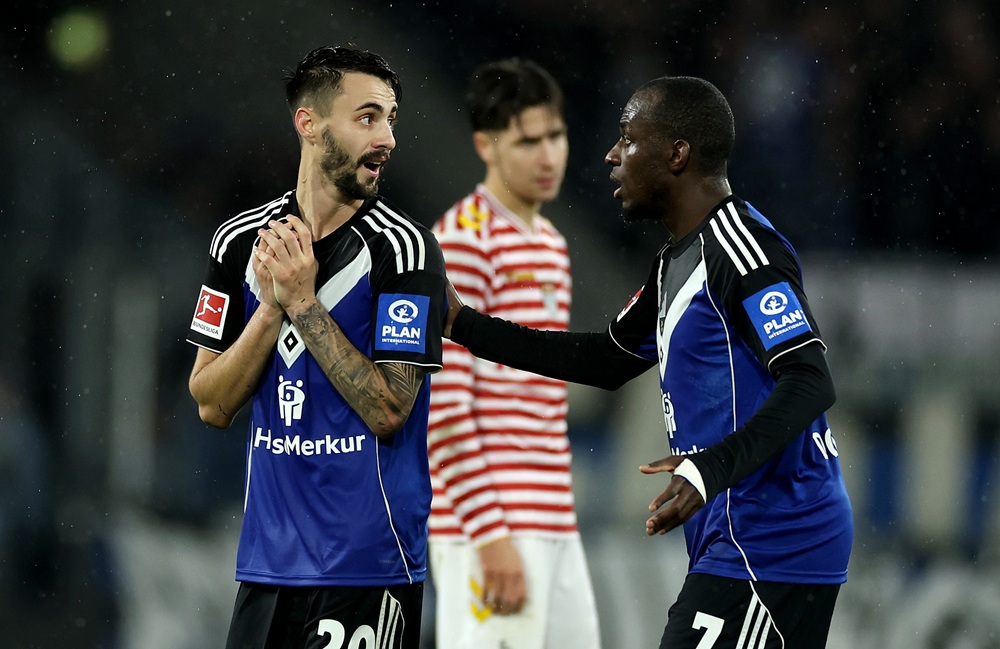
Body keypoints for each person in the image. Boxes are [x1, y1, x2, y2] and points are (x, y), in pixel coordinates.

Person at [443, 76, 853, 648]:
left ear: (676, 153)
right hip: (740, 534)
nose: (612, 156)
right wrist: (463, 325)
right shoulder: (673, 265)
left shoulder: (742, 249)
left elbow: (810, 379)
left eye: (627, 139)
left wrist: (709, 468)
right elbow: (605, 358)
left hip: (774, 534)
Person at [186, 45, 447, 649]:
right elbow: (210, 402)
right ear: (309, 123)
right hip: (266, 568)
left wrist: (304, 304)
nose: (386, 137)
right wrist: (273, 305)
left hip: (367, 567)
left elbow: (388, 410)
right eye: (367, 117)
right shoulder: (238, 244)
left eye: (390, 119)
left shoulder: (405, 252)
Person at [427, 59, 601, 649]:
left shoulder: (551, 243)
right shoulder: (460, 239)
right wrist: (489, 534)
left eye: (555, 136)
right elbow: (445, 408)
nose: (548, 155)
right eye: (527, 141)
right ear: (485, 145)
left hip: (554, 514)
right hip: (491, 525)